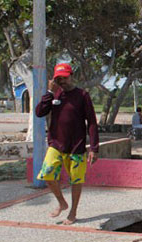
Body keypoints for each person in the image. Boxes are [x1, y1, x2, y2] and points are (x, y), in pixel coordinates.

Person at [35, 63, 99, 225]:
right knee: (47, 174)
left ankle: (73, 212)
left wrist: (94, 148)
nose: (62, 81)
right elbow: (39, 112)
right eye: (58, 78)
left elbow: (91, 122)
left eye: (64, 77)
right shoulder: (54, 96)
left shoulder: (82, 95)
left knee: (76, 181)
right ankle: (62, 203)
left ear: (71, 76)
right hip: (56, 144)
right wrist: (49, 92)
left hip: (76, 147)